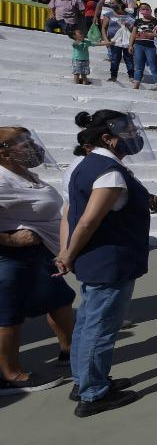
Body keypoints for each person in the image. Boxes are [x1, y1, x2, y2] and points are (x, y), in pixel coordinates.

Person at [57, 109, 153, 417]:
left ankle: (85, 381)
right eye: (124, 133)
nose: (132, 137)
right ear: (107, 138)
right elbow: (86, 221)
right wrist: (67, 255)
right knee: (100, 329)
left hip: (96, 261)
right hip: (110, 261)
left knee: (87, 324)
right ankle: (93, 394)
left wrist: (68, 253)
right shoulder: (109, 172)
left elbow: (73, 214)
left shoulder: (84, 165)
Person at [0, 127, 74, 394]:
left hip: (40, 254)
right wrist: (9, 240)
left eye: (29, 140)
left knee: (58, 299)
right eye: (22, 142)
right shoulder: (1, 179)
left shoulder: (24, 174)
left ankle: (69, 351)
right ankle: (10, 375)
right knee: (8, 315)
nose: (30, 146)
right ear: (4, 153)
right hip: (10, 258)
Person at [101, 0, 135, 83]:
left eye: (113, 3)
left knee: (129, 59)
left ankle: (131, 76)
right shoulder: (108, 14)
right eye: (110, 3)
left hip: (127, 41)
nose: (111, 5)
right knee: (115, 59)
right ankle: (113, 76)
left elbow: (133, 30)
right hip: (113, 41)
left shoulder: (129, 16)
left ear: (119, 4)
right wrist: (106, 40)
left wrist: (128, 26)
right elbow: (104, 28)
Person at [130, 3, 157, 91]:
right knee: (139, 66)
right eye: (143, 9)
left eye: (147, 9)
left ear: (151, 10)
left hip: (151, 46)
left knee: (153, 65)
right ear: (140, 11)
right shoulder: (137, 21)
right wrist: (130, 45)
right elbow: (133, 34)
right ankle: (136, 85)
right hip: (138, 45)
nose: (145, 11)